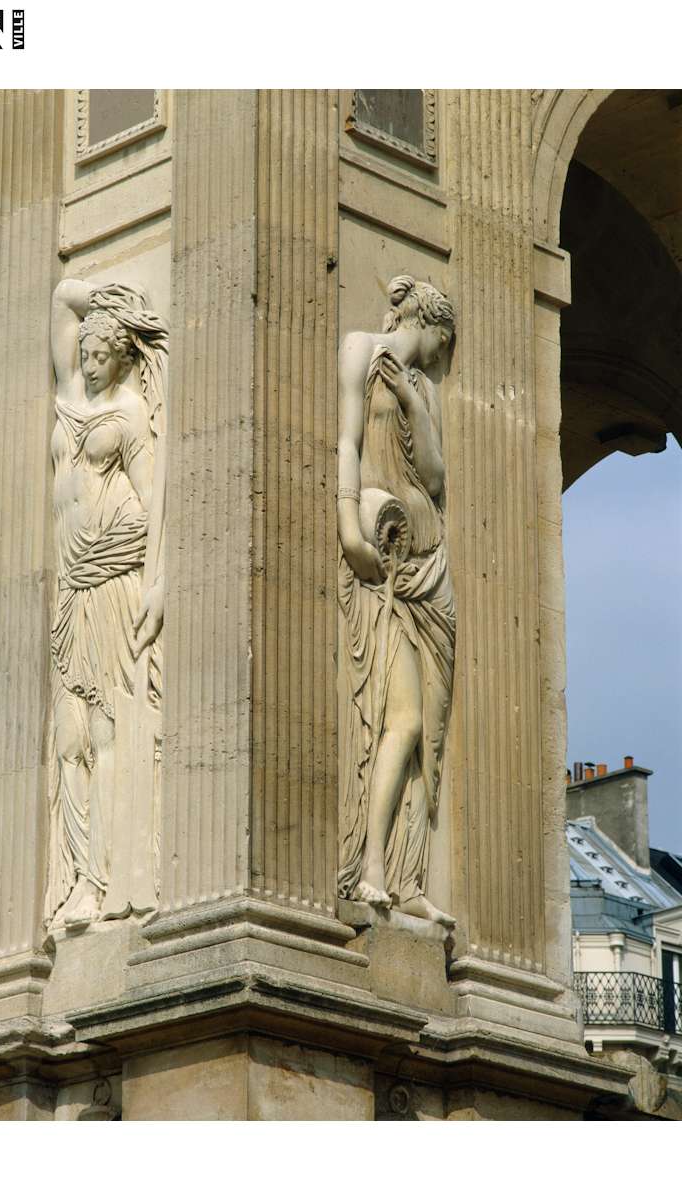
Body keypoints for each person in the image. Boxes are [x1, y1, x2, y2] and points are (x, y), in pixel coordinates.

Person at [47, 280, 167, 927]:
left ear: (122, 358)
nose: (89, 364)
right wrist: (113, 302)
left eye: (101, 355)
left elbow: (155, 510)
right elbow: (64, 296)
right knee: (69, 741)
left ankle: (103, 880)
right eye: (86, 353)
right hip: (71, 586)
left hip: (114, 579)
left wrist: (160, 582)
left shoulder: (127, 419)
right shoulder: (69, 399)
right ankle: (79, 877)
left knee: (105, 730)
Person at [337, 275, 456, 926]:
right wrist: (349, 526)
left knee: (425, 734)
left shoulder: (423, 387)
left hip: (428, 566)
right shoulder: (360, 348)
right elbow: (347, 442)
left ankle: (408, 879)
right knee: (403, 720)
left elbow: (435, 477)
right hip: (383, 563)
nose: (444, 353)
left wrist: (412, 400)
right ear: (436, 330)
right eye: (446, 340)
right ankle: (373, 867)